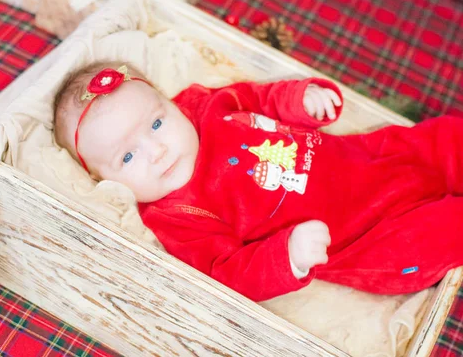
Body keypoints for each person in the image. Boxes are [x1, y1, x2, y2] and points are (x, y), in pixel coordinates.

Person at [53, 60, 463, 301]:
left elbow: (257, 98)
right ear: (101, 178)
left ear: (169, 102)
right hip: (363, 236)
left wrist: (299, 100)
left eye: (157, 122)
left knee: (444, 139)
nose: (155, 149)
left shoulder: (202, 106)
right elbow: (226, 271)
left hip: (369, 157)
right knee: (445, 231)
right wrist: (288, 256)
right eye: (127, 156)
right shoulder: (175, 213)